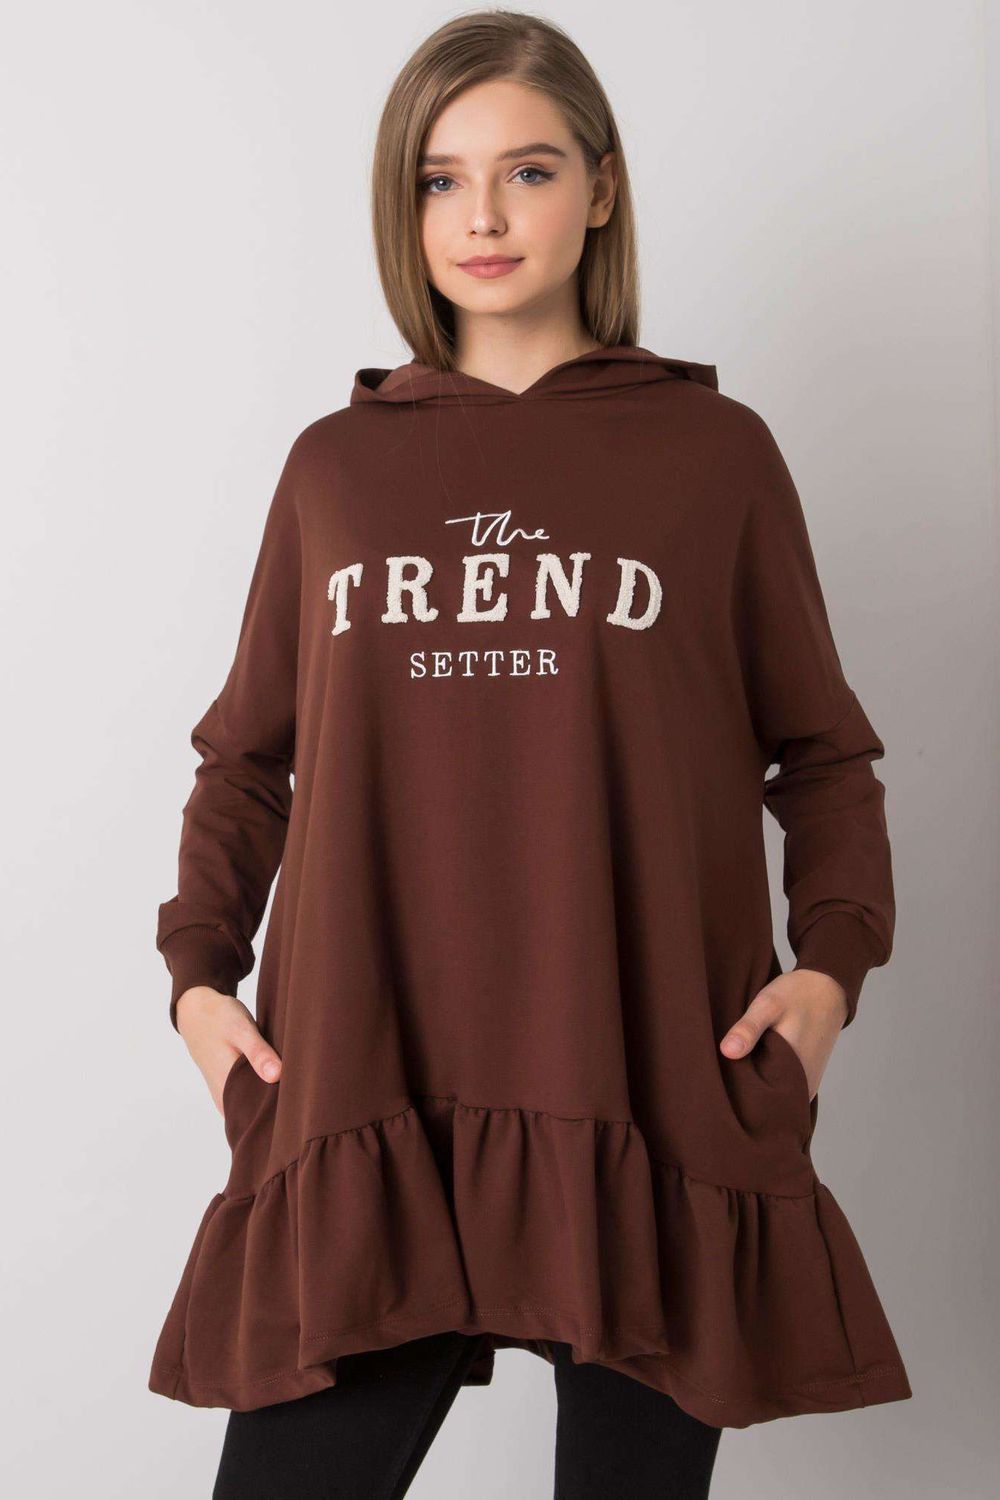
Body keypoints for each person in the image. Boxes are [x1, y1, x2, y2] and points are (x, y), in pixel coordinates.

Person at [147, 10, 912, 1497]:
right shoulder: (337, 468)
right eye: (440, 180)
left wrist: (830, 972)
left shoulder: (714, 457)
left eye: (529, 170)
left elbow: (824, 756)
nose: (483, 217)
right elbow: (246, 758)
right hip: (374, 1085)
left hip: (646, 1086)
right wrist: (196, 975)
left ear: (602, 188)